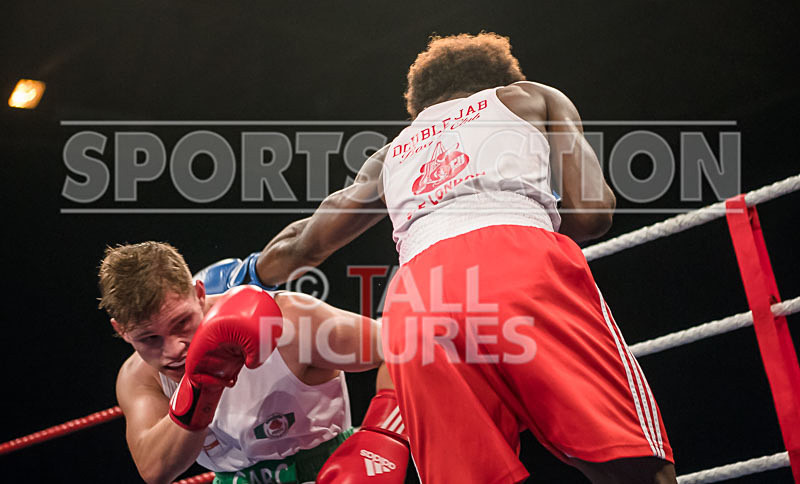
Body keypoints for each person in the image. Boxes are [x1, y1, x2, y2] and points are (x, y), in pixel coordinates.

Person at [254, 33, 676, 483]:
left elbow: (304, 244)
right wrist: (530, 223)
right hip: (518, 260)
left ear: (420, 104)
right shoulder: (531, 98)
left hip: (416, 301)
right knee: (631, 464)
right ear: (499, 80)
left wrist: (237, 279)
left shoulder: (391, 154)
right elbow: (593, 214)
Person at [99, 242, 409, 484]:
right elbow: (154, 469)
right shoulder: (138, 377)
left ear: (199, 293)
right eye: (149, 339)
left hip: (329, 469)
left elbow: (402, 349)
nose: (174, 349)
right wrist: (201, 387)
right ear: (121, 331)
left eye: (181, 323)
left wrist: (380, 438)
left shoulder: (289, 320)